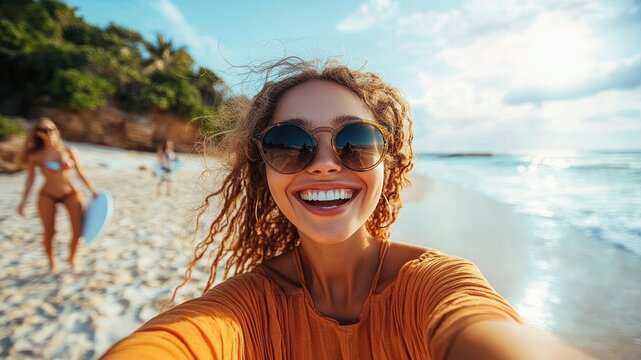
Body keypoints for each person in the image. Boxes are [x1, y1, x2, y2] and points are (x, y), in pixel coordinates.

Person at [103, 59, 594, 359]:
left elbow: (482, 330)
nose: (322, 165)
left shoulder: (435, 284)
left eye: (355, 141)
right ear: (263, 169)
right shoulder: (246, 309)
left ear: (390, 162)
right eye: (290, 144)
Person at [16, 117, 97, 272]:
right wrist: (23, 201)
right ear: (37, 134)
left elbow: (81, 173)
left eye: (52, 129)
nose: (49, 133)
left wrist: (94, 191)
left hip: (70, 193)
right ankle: (52, 263)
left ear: (57, 131)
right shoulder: (35, 156)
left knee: (77, 230)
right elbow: (30, 180)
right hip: (47, 195)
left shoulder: (69, 151)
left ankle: (72, 259)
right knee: (50, 232)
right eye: (44, 130)